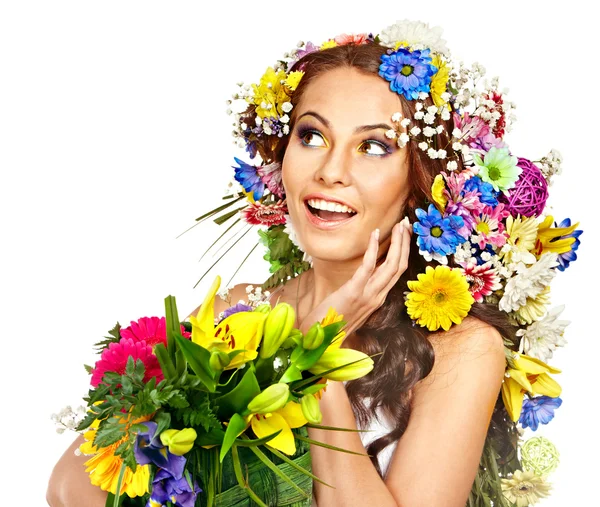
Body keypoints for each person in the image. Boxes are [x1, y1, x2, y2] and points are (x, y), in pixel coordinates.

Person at [48, 20, 577, 507]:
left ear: (423, 183)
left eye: (373, 146)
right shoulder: (240, 311)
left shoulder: (460, 349)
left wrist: (322, 364)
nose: (330, 170)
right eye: (312, 136)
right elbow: (70, 486)